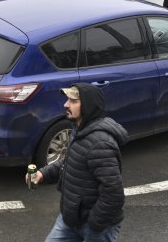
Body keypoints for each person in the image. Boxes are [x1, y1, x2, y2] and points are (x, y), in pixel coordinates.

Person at [30, 84, 127, 242]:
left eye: (73, 101)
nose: (66, 104)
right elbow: (71, 159)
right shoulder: (80, 129)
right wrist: (43, 173)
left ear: (88, 106)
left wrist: (94, 223)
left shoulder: (100, 143)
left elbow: (113, 194)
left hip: (95, 226)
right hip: (71, 218)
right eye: (68, 100)